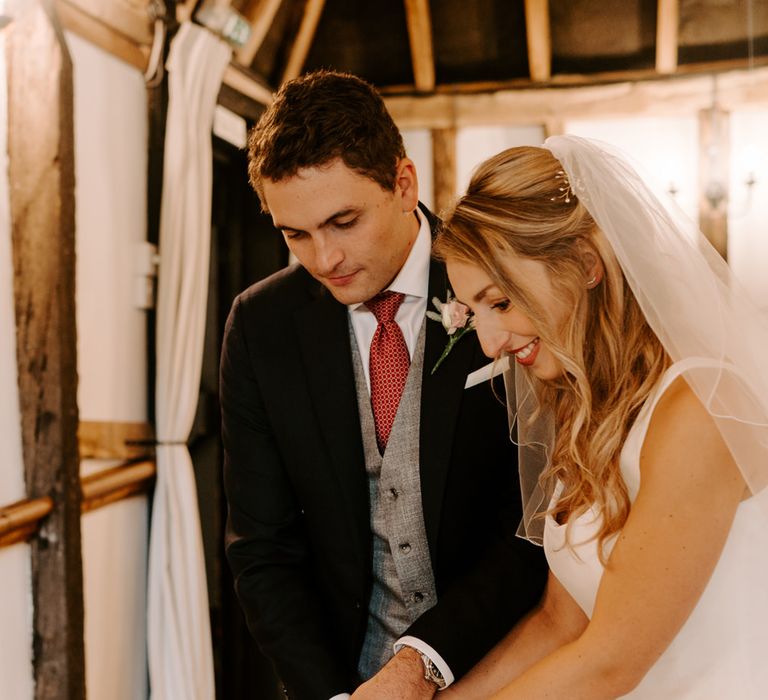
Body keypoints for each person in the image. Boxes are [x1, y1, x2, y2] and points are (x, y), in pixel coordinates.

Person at [220, 69, 547, 699]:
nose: (323, 260)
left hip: (510, 659)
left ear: (403, 183)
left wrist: (424, 662)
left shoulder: (501, 284)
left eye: (343, 221)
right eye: (296, 234)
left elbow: (535, 518)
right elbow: (263, 549)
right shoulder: (261, 325)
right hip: (348, 677)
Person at [434, 135, 768, 698]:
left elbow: (609, 660)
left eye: (502, 302)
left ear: (586, 265)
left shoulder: (700, 408)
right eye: (474, 312)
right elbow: (560, 622)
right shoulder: (587, 412)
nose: (487, 343)